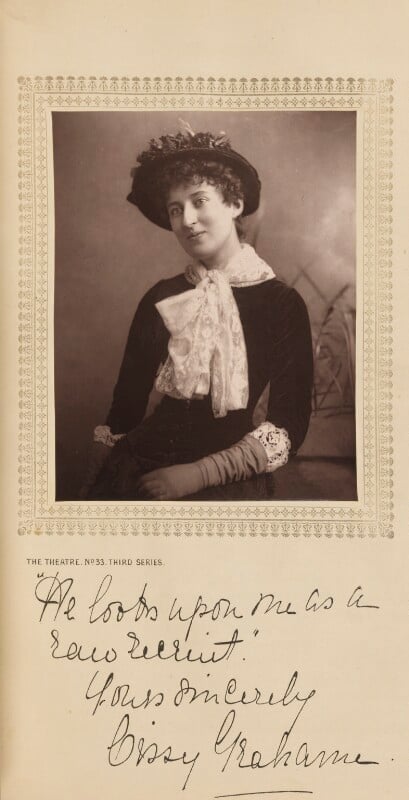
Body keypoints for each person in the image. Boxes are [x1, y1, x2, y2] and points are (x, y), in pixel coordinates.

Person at [81, 123, 313, 501]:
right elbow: (124, 410)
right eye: (176, 209)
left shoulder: (281, 303)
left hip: (227, 477)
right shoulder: (161, 296)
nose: (186, 220)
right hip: (137, 465)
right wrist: (91, 486)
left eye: (199, 201)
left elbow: (289, 425)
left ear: (235, 204)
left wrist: (197, 475)